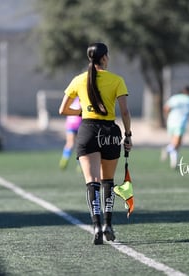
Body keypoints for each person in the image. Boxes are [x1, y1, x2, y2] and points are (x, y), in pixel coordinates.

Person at [59, 42, 132, 245]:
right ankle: (108, 224)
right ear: (104, 58)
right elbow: (124, 112)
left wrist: (82, 111)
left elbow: (62, 110)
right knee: (108, 180)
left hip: (88, 130)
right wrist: (128, 135)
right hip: (109, 131)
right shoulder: (117, 80)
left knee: (92, 181)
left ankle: (96, 226)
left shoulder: (78, 80)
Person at [161, 85, 189, 169]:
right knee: (177, 143)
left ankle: (174, 162)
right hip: (181, 123)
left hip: (171, 122)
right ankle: (167, 150)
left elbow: (166, 108)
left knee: (175, 142)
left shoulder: (175, 98)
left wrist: (167, 116)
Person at [59, 97, 82, 170]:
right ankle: (80, 165)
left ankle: (64, 160)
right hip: (79, 124)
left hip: (70, 123)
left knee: (70, 143)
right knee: (80, 145)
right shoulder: (84, 99)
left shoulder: (72, 99)